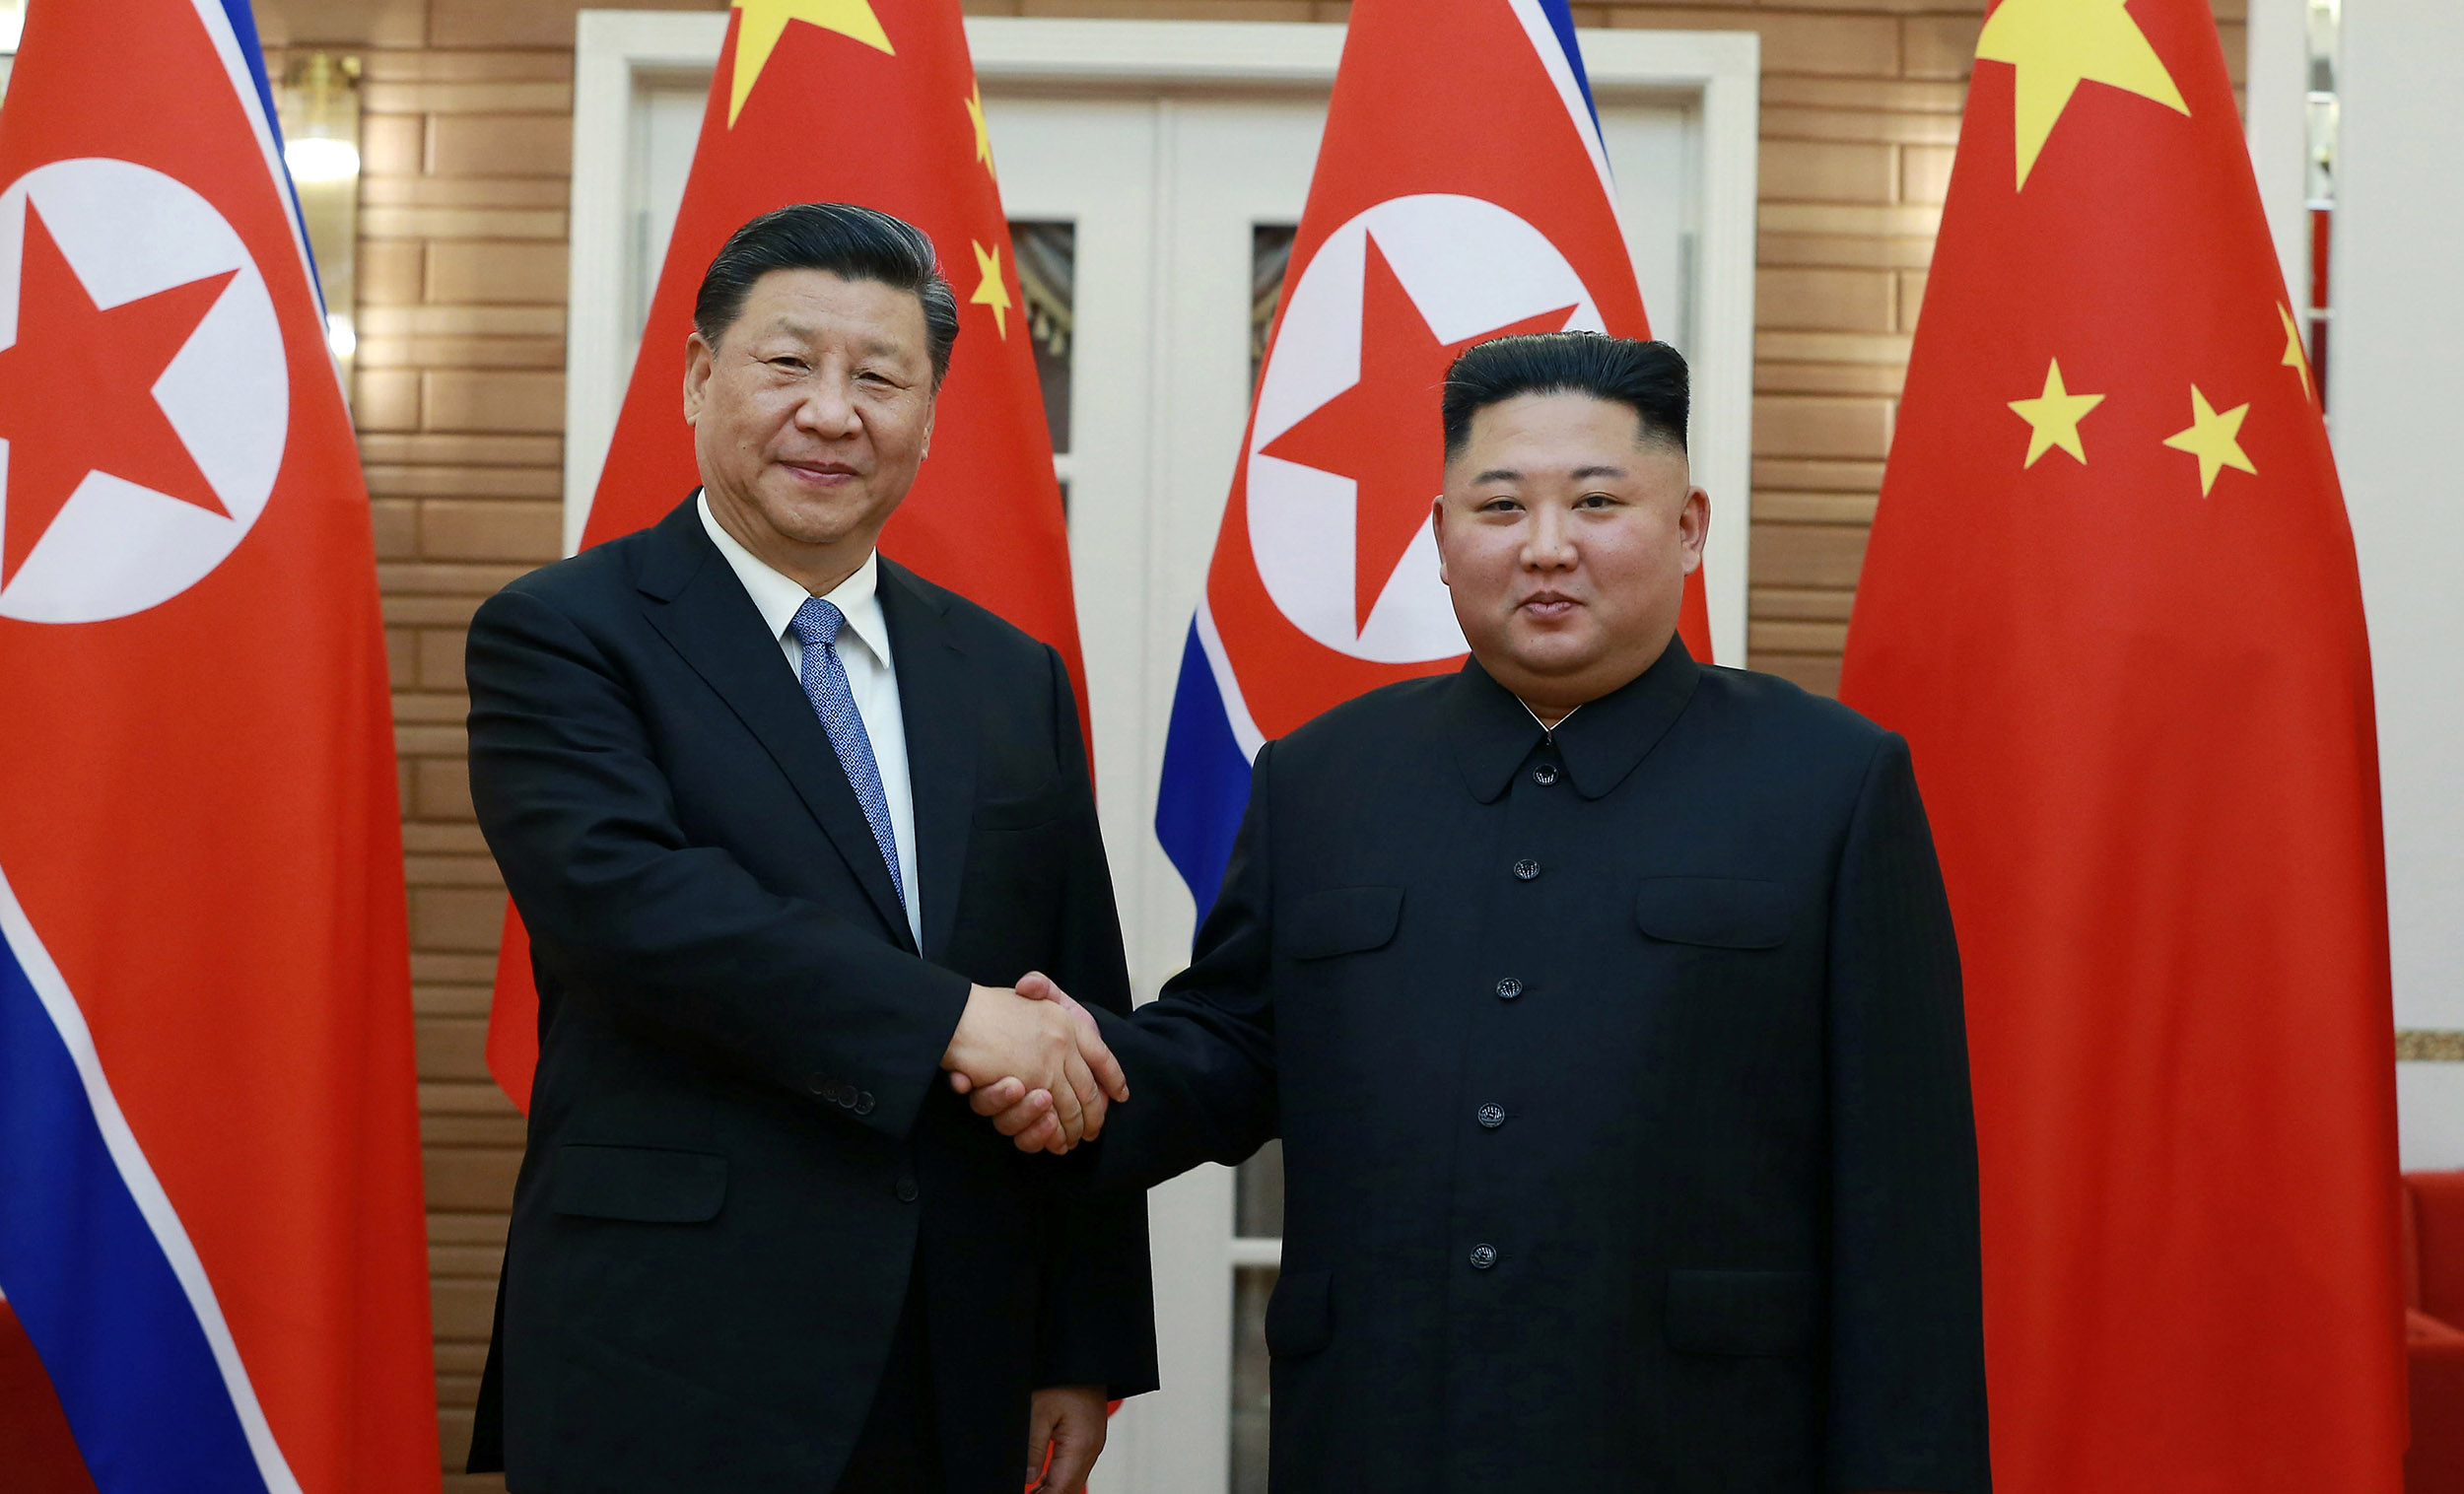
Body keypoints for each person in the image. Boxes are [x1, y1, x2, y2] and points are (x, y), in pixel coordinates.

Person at [976, 333, 1991, 1492]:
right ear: (1440, 536)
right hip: (1378, 1434)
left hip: (1696, 1441)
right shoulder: (1322, 778)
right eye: (1500, 506)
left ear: (1688, 526)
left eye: (1597, 501)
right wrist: (1069, 1065)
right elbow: (1231, 1050)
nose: (1545, 546)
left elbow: (1902, 1208)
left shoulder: (1829, 783)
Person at [461, 203, 1152, 1494]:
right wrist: (950, 1018)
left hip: (955, 1344)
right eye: (788, 363)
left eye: (879, 378)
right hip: (669, 1348)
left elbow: (1073, 1006)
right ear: (698, 376)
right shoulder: (564, 634)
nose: (832, 414)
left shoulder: (1010, 676)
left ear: (928, 417)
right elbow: (630, 908)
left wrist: (1082, 1340)